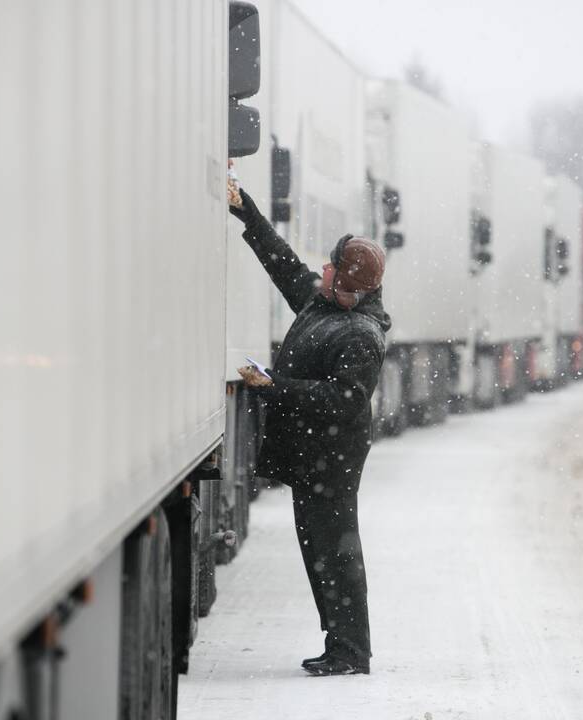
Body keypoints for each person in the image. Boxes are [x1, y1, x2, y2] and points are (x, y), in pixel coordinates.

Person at [229, 182, 390, 676]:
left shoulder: (359, 335)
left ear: (348, 283)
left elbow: (342, 401)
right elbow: (283, 263)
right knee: (321, 550)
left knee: (337, 552)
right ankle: (339, 644)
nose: (320, 270)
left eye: (332, 266)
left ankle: (350, 652)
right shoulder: (323, 305)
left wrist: (274, 386)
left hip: (333, 460)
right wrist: (247, 212)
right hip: (314, 457)